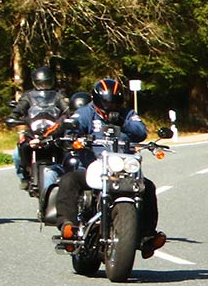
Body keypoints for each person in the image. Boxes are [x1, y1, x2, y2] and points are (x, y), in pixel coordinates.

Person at [52, 77, 167, 259]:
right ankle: (68, 226)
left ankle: (147, 236)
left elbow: (140, 132)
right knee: (69, 180)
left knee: (148, 186)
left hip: (122, 169)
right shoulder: (86, 113)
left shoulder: (128, 114)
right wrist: (74, 137)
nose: (109, 105)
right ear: (96, 100)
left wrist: (122, 122)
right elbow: (72, 128)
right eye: (105, 102)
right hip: (93, 167)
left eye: (113, 102)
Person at [10, 65, 69, 188]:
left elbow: (67, 110)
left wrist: (68, 118)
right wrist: (13, 117)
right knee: (16, 153)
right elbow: (19, 109)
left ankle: (66, 175)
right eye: (41, 83)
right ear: (35, 82)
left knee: (69, 151)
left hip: (53, 133)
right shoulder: (28, 96)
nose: (44, 86)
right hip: (33, 133)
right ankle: (24, 177)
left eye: (46, 83)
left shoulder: (58, 95)